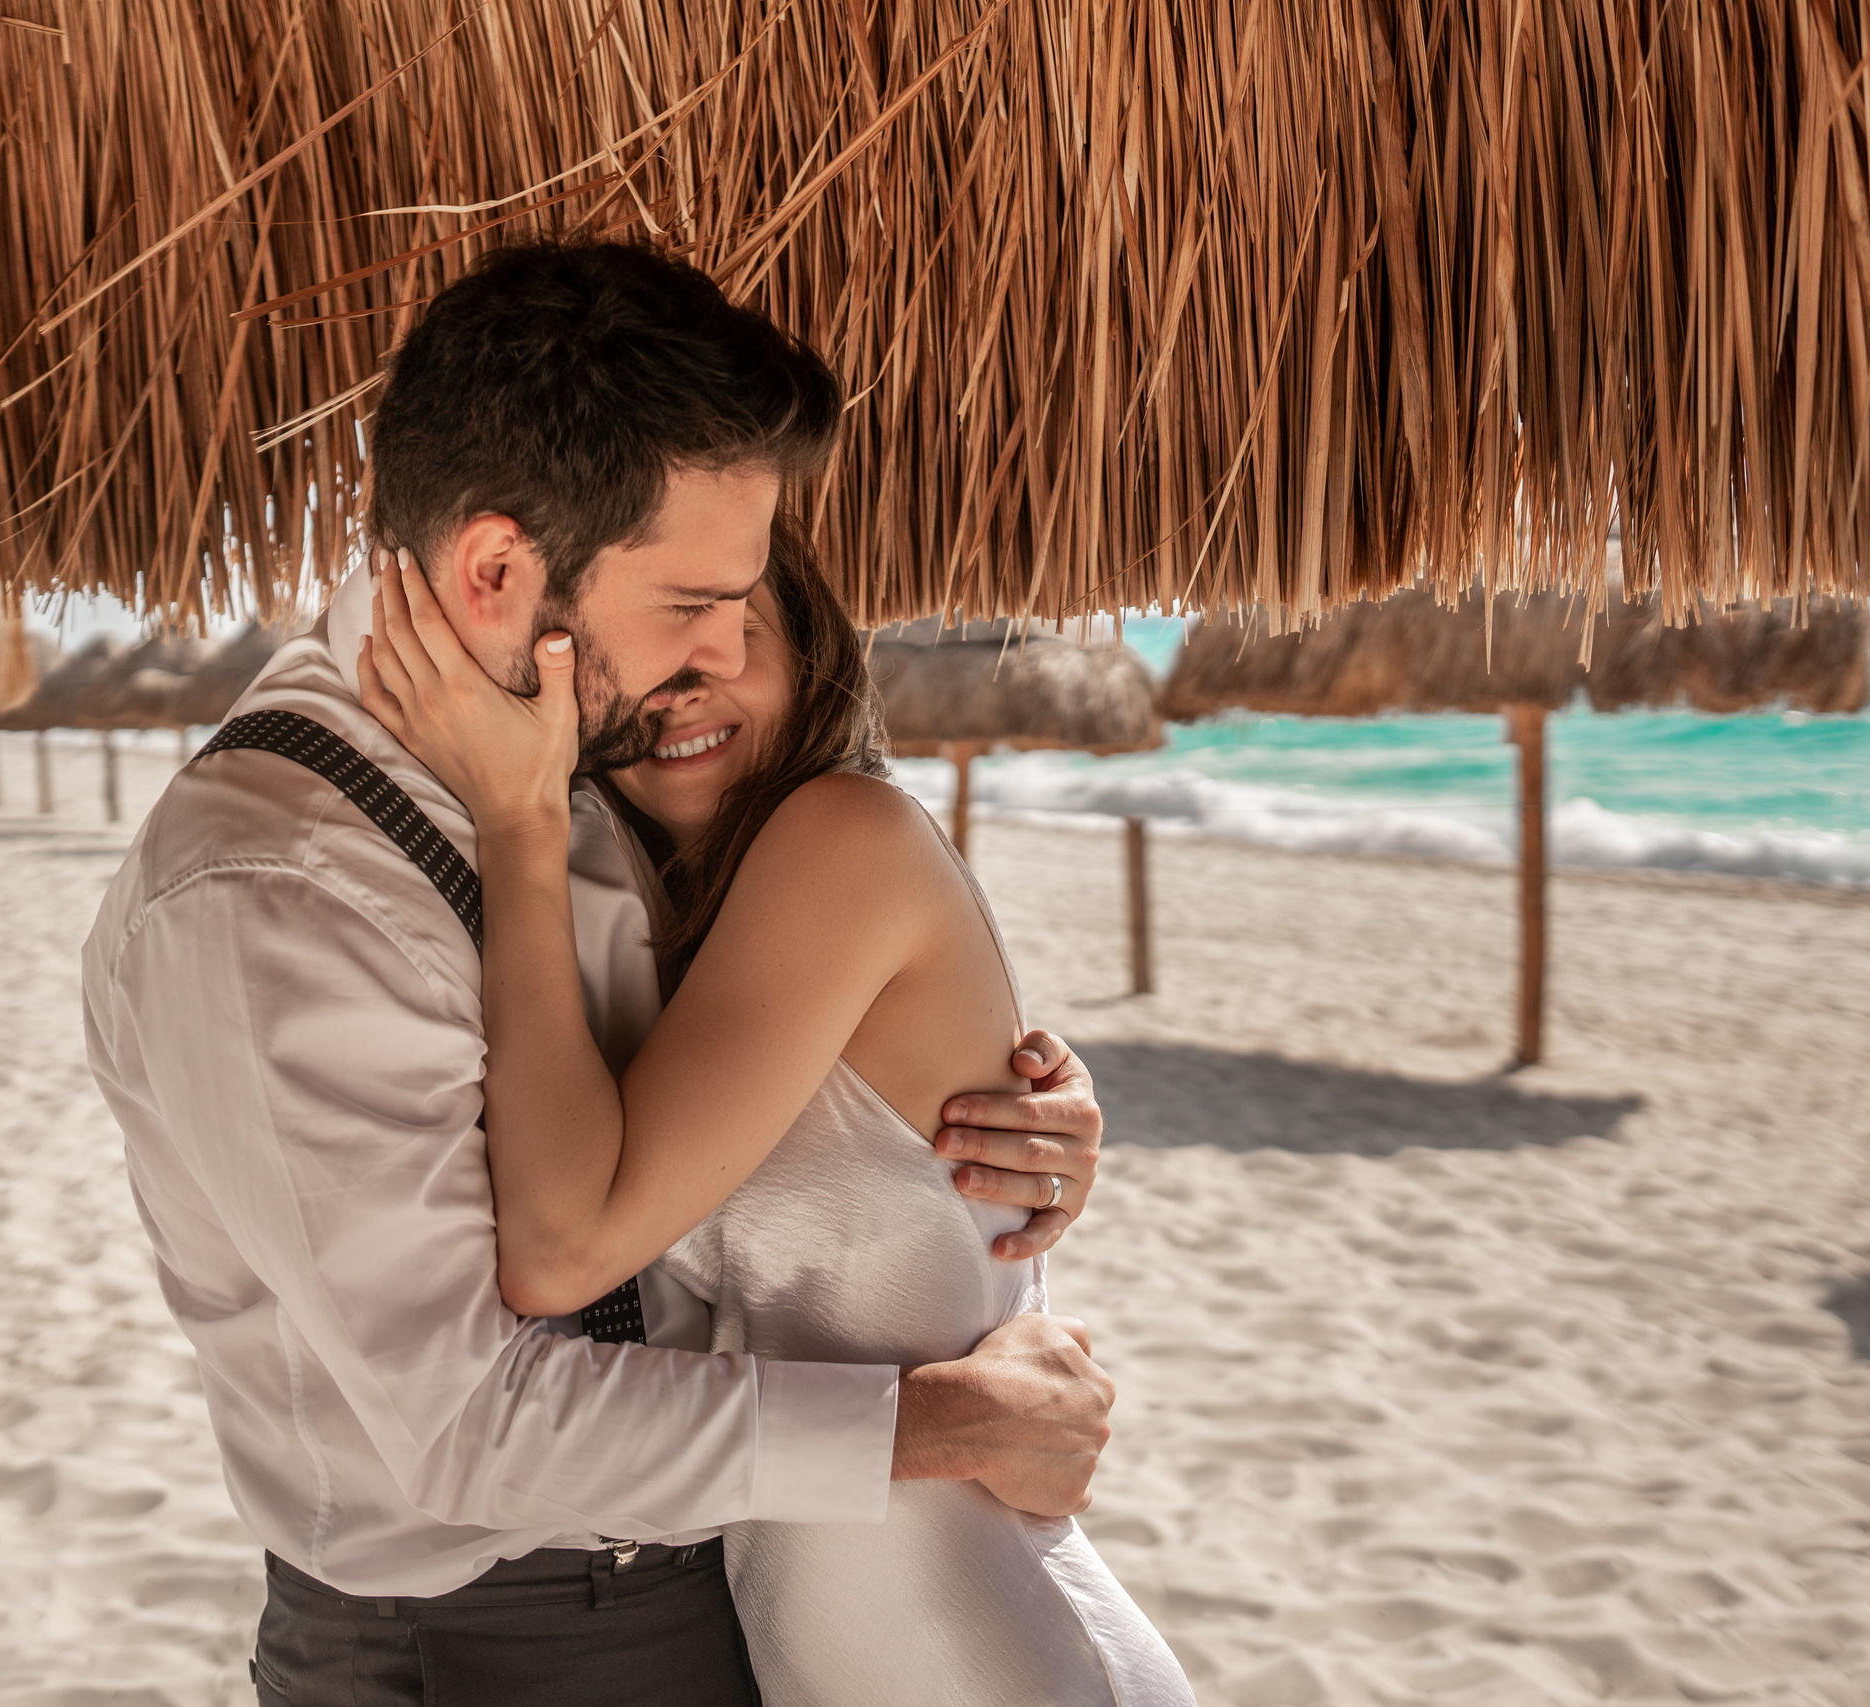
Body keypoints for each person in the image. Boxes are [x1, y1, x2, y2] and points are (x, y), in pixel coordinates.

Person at [80, 242, 1120, 1707]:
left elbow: (774, 1075)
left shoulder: (585, 752)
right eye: (693, 598)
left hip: (736, 1591)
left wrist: (1021, 1131)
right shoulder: (273, 893)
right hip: (494, 1638)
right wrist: (927, 1418)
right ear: (499, 570)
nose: (725, 647)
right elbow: (469, 1427)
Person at [357, 518, 1197, 1707]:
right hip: (831, 1644)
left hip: (985, 1646)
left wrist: (517, 822)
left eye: (732, 635)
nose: (675, 691)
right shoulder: (674, 919)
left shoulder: (843, 834)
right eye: (632, 658)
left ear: (812, 648)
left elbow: (558, 1250)